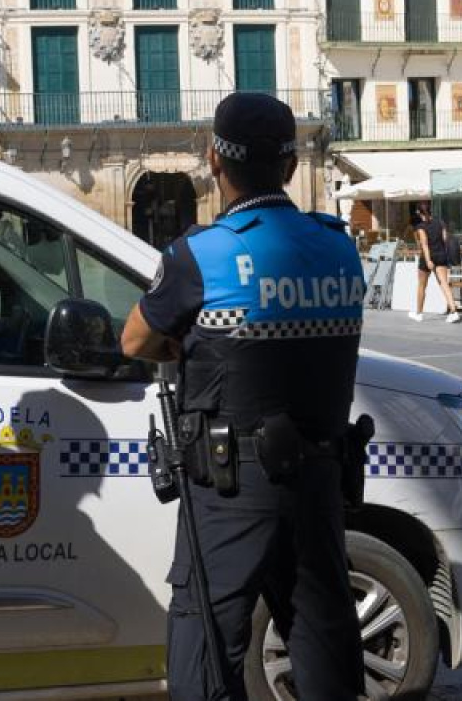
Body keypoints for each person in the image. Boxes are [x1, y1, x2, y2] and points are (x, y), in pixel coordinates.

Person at [120, 92, 364, 701]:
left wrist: (185, 345)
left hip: (229, 484)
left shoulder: (201, 254)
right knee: (321, 631)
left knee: (206, 628)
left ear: (214, 162)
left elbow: (134, 340)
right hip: (320, 476)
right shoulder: (338, 246)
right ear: (289, 166)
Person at [409, 203, 462, 323]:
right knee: (444, 283)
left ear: (418, 212)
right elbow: (445, 239)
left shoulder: (420, 227)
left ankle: (419, 313)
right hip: (441, 255)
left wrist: (428, 260)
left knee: (422, 285)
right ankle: (454, 311)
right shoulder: (440, 222)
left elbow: (425, 245)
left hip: (428, 258)